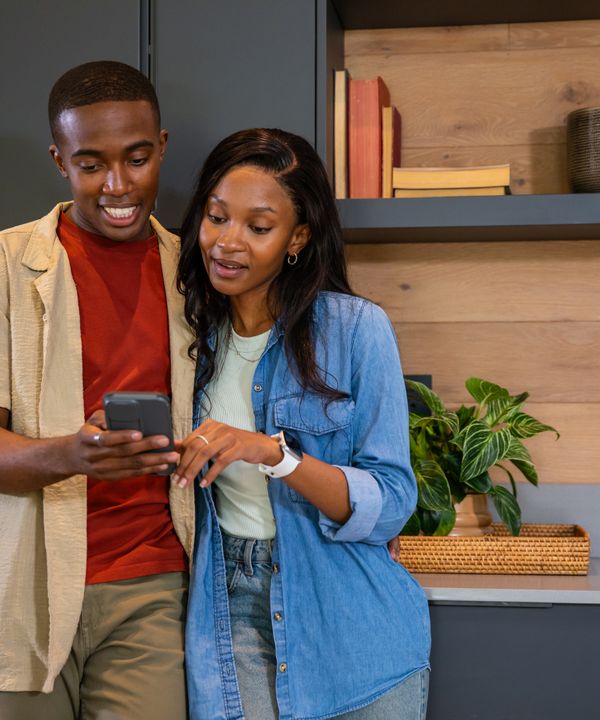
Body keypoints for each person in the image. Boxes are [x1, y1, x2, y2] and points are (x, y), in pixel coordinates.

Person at [0, 60, 194, 720]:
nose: (118, 185)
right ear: (59, 161)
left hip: (151, 586)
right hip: (27, 583)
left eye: (137, 159)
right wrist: (72, 454)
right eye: (90, 164)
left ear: (162, 145)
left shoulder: (194, 271)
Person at [173, 128, 431, 720]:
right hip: (226, 612)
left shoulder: (356, 330)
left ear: (298, 236)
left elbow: (391, 501)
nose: (227, 243)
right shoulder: (185, 338)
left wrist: (275, 455)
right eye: (216, 217)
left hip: (349, 620)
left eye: (258, 227)